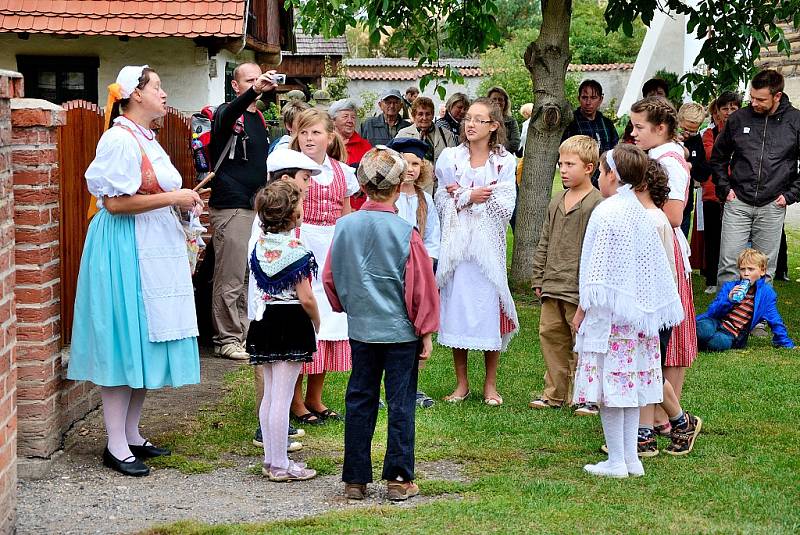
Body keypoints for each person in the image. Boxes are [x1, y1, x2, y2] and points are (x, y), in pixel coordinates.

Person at [67, 65, 203, 476]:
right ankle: (114, 443)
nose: (164, 94)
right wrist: (174, 197)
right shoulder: (118, 139)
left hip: (153, 242)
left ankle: (131, 433)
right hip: (124, 246)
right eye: (157, 87)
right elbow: (114, 203)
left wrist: (183, 204)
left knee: (147, 338)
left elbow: (156, 193)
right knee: (125, 338)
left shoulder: (148, 139)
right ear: (135, 95)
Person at [323, 147, 440, 502]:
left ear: (361, 184)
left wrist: (348, 305)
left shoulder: (344, 226)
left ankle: (355, 480)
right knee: (401, 400)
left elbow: (331, 277)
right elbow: (421, 287)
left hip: (362, 327)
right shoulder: (406, 232)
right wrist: (426, 331)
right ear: (396, 185)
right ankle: (399, 478)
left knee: (360, 398)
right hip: (400, 330)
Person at [572, 145, 683, 478]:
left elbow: (598, 271)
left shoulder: (608, 212)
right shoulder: (639, 211)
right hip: (636, 319)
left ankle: (618, 461)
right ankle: (628, 459)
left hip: (611, 319)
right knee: (629, 389)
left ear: (613, 175)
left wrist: (582, 310)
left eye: (602, 171)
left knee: (611, 390)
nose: (599, 177)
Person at [435, 97, 519, 406]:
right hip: (458, 247)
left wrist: (466, 195)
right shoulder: (449, 158)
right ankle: (461, 383)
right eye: (468, 118)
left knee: (487, 312)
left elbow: (503, 203)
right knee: (458, 311)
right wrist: (469, 196)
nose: (470, 124)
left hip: (486, 249)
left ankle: (490, 384)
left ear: (493, 126)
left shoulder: (504, 161)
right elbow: (443, 200)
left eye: (478, 120)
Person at [629, 96, 698, 454]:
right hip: (648, 251)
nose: (633, 132)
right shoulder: (655, 157)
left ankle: (666, 418)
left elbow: (673, 214)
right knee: (651, 344)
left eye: (640, 127)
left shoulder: (670, 162)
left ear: (661, 128)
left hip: (663, 254)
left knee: (661, 344)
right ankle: (654, 419)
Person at [289, 109, 360, 425]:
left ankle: (315, 397)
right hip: (302, 244)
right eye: (303, 133)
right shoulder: (292, 171)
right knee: (303, 322)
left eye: (315, 132)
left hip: (330, 248)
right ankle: (295, 401)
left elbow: (345, 215)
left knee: (330, 323)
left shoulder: (343, 172)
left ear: (330, 137)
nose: (308, 138)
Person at [247, 180, 319, 482]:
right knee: (282, 396)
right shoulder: (296, 249)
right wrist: (316, 320)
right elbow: (305, 296)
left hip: (264, 320)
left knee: (269, 396)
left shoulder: (259, 246)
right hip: (290, 321)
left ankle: (270, 458)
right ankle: (280, 463)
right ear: (293, 215)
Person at [208, 62, 278, 360]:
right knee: (230, 276)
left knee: (249, 276)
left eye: (260, 78)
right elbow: (228, 112)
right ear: (236, 86)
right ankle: (226, 339)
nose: (258, 83)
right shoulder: (227, 115)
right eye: (250, 80)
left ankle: (244, 332)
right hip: (231, 206)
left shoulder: (258, 119)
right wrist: (253, 92)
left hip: (253, 208)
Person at [529, 135, 603, 414]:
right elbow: (544, 240)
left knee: (582, 343)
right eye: (561, 163)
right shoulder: (556, 200)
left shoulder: (597, 203)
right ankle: (554, 393)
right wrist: (539, 277)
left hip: (579, 288)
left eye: (570, 164)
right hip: (552, 284)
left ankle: (585, 396)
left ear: (589, 168)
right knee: (551, 337)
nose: (563, 169)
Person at [710, 69, 800, 284]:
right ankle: (727, 315)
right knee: (729, 264)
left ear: (777, 96)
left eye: (760, 99)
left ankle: (758, 316)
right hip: (737, 201)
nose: (754, 103)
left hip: (773, 204)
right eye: (752, 97)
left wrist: (790, 195)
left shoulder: (796, 121)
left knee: (764, 268)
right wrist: (725, 189)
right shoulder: (739, 118)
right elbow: (718, 157)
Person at [696, 249, 794, 351]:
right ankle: (700, 340)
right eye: (743, 269)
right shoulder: (730, 287)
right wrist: (728, 300)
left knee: (718, 343)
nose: (746, 273)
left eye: (751, 269)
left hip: (732, 333)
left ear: (762, 271)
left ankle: (702, 344)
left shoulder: (766, 294)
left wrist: (785, 343)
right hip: (716, 322)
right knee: (704, 329)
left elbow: (775, 320)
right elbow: (713, 311)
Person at [700, 92, 742, 294]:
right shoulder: (710, 133)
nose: (729, 112)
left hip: (738, 192)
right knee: (713, 236)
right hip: (712, 193)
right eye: (724, 108)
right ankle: (712, 278)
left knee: (736, 238)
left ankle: (740, 277)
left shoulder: (745, 131)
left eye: (733, 108)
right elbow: (710, 155)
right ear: (717, 112)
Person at [562, 80, 619, 186]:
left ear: (600, 99)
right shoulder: (571, 123)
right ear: (578, 98)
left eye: (593, 98)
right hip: (578, 181)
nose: (588, 102)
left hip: (604, 181)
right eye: (584, 97)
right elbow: (565, 154)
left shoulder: (606, 124)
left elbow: (615, 152)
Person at [396, 96, 458, 186]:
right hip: (413, 187)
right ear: (414, 116)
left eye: (427, 114)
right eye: (420, 114)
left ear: (432, 115)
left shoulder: (446, 135)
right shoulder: (403, 135)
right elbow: (396, 162)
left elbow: (453, 162)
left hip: (439, 187)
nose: (424, 118)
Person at [329, 99, 373, 210]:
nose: (350, 121)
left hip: (360, 208)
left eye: (353, 117)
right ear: (333, 121)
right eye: (345, 117)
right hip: (331, 206)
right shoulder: (325, 144)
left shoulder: (365, 147)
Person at [676, 102, 711, 237]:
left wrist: (692, 165)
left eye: (693, 130)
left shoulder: (696, 140)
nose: (688, 134)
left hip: (685, 202)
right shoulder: (665, 137)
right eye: (684, 129)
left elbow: (703, 172)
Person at [487, 86, 521, 154]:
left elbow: (515, 144)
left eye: (500, 99)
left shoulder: (511, 122)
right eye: (494, 99)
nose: (497, 102)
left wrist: (496, 149)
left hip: (505, 160)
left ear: (505, 102)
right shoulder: (483, 120)